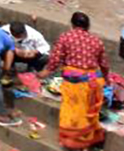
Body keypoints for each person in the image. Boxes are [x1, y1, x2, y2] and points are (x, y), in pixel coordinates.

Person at [37, 11, 108, 150]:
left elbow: (55, 59)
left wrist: (44, 72)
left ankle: (74, 143)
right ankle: (87, 141)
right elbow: (104, 64)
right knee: (88, 113)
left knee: (72, 112)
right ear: (88, 26)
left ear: (72, 24)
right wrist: (107, 79)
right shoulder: (96, 40)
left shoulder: (65, 37)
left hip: (75, 84)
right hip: (94, 82)